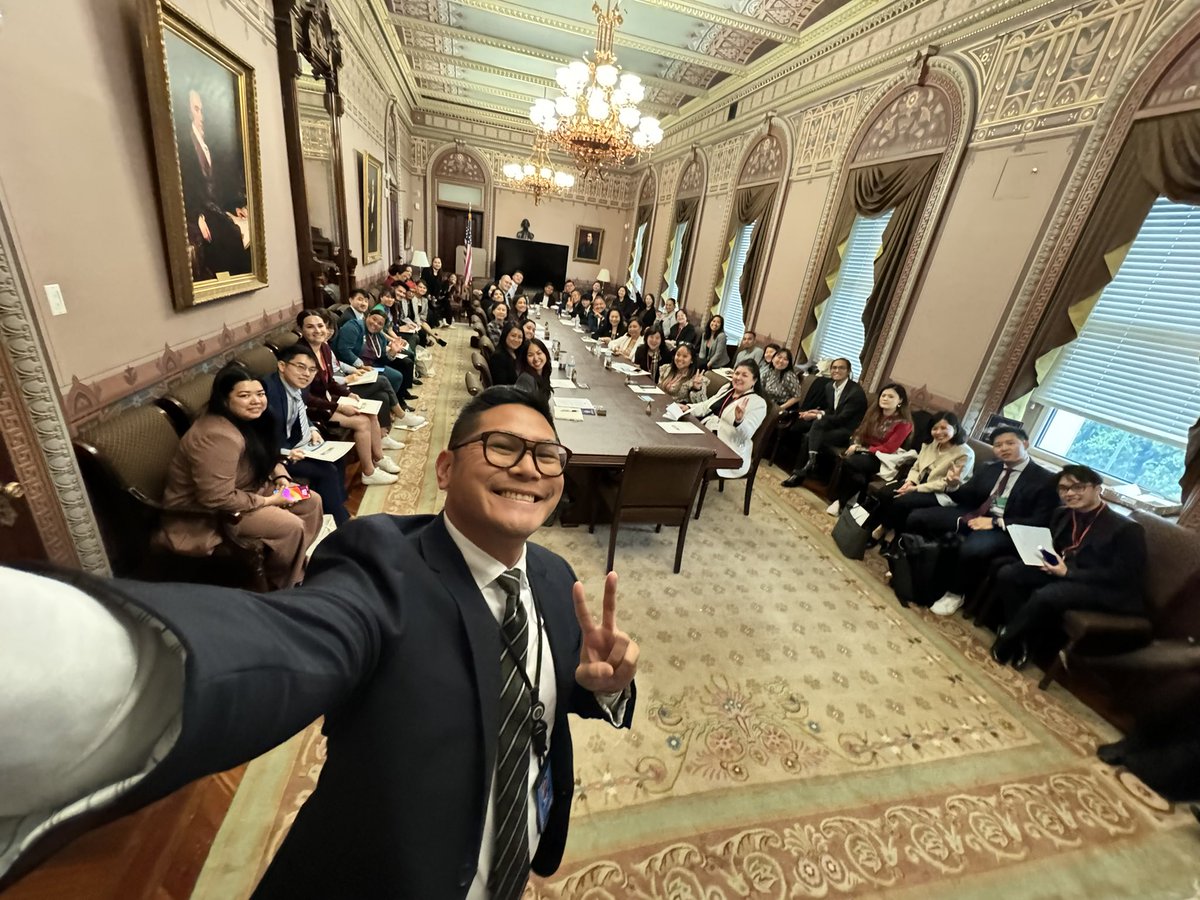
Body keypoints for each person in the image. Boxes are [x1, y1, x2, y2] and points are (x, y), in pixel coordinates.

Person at [0, 387, 638, 899]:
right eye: (500, 448)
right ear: (444, 468)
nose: (528, 466)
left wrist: (600, 688)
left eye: (546, 455)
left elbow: (539, 699)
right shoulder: (383, 564)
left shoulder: (555, 577)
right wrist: (69, 664)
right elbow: (293, 640)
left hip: (516, 841)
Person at [160, 364, 324, 590]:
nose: (256, 401)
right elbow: (216, 498)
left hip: (252, 489)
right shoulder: (217, 435)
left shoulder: (252, 420)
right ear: (225, 399)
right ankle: (282, 585)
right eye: (245, 395)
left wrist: (281, 479)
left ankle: (292, 567)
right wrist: (271, 501)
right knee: (292, 526)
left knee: (310, 499)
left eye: (260, 394)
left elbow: (266, 457)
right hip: (215, 514)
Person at [989, 465, 1147, 669]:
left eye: (1078, 487)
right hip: (1062, 570)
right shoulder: (1063, 514)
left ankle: (1007, 641)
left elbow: (1124, 575)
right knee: (1008, 573)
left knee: (1046, 596)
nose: (1070, 493)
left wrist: (1069, 572)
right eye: (1064, 489)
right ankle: (1021, 638)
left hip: (1100, 586)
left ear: (1098, 489)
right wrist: (1046, 557)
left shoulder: (1127, 528)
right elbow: (1055, 545)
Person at [907, 426, 1059, 617]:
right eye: (998, 445)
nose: (1003, 448)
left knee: (972, 548)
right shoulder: (990, 468)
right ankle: (915, 569)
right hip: (974, 514)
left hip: (1007, 529)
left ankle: (956, 592)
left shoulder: (1046, 480)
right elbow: (968, 497)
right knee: (918, 518)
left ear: (1025, 444)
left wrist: (996, 523)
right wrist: (954, 485)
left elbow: (1040, 521)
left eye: (1010, 443)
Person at [263, 346, 361, 512]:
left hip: (295, 442)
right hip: (276, 454)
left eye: (312, 369)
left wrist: (312, 428)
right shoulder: (267, 393)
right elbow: (263, 439)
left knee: (336, 458)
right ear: (282, 366)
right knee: (326, 470)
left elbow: (300, 409)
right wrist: (285, 454)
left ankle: (339, 505)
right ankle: (339, 519)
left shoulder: (298, 385)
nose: (306, 374)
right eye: (300, 367)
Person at [297, 310, 406, 457]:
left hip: (332, 396)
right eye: (310, 327)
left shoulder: (324, 348)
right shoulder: (300, 356)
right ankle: (369, 471)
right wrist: (340, 405)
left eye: (321, 326)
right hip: (316, 407)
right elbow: (306, 397)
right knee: (366, 416)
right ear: (301, 330)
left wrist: (348, 394)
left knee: (379, 399)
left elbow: (330, 380)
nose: (318, 331)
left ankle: (380, 456)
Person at [178, 87, 251, 281]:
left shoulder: (208, 140)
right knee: (230, 235)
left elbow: (220, 184)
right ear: (188, 112)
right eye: (196, 109)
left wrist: (234, 205)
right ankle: (226, 280)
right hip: (199, 209)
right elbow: (185, 186)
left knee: (241, 233)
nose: (201, 115)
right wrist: (196, 216)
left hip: (213, 207)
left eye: (202, 109)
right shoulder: (186, 144)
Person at [868, 411, 975, 543]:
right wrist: (910, 482)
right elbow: (917, 466)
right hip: (919, 482)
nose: (938, 432)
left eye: (943, 428)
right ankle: (882, 527)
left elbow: (945, 484)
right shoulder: (930, 444)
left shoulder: (965, 453)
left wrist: (915, 489)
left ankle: (890, 533)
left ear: (956, 428)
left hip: (941, 492)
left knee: (902, 501)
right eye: (935, 428)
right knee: (885, 493)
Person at [824, 383, 914, 516]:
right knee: (855, 470)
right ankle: (853, 496)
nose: (885, 399)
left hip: (881, 457)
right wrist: (855, 443)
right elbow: (860, 432)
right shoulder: (874, 414)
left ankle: (840, 501)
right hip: (864, 451)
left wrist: (860, 449)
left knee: (851, 462)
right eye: (883, 395)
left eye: (891, 396)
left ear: (900, 401)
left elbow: (889, 448)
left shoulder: (904, 424)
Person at [780, 358, 868, 486]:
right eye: (834, 367)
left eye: (841, 368)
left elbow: (843, 418)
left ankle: (800, 473)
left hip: (847, 431)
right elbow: (832, 410)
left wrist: (815, 417)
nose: (836, 370)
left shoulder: (855, 393)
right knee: (808, 431)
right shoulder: (829, 387)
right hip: (832, 425)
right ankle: (807, 466)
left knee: (810, 435)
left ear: (848, 371)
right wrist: (817, 413)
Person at [679, 361, 768, 479]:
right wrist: (688, 407)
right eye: (736, 373)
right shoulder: (728, 389)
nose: (738, 378)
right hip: (709, 434)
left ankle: (684, 487)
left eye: (744, 375)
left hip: (729, 447)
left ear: (754, 380)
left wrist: (739, 420)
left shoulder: (758, 403)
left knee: (688, 451)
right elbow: (707, 405)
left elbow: (746, 434)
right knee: (679, 441)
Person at [760, 347, 802, 412]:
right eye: (779, 357)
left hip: (784, 408)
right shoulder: (769, 372)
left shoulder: (789, 376)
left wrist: (779, 408)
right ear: (773, 359)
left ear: (788, 363)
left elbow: (797, 397)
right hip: (768, 405)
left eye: (785, 359)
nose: (781, 361)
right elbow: (760, 388)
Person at [515, 337, 553, 404]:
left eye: (539, 353)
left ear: (545, 354)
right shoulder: (526, 380)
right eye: (530, 355)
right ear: (525, 359)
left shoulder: (543, 373)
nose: (536, 358)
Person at [490, 322, 524, 387]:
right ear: (505, 335)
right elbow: (502, 387)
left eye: (520, 337)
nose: (516, 340)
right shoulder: (498, 358)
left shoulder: (516, 353)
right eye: (513, 336)